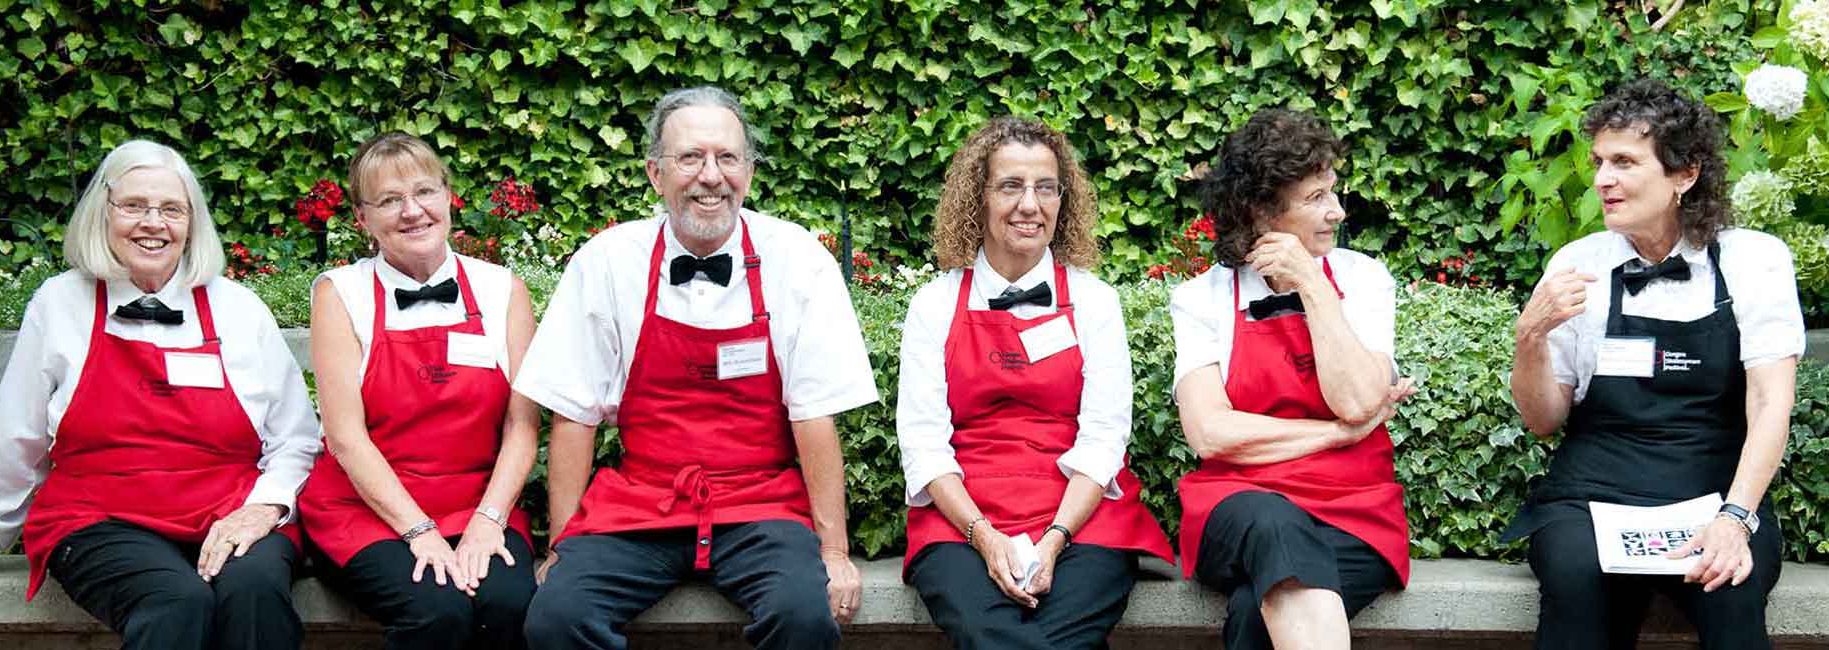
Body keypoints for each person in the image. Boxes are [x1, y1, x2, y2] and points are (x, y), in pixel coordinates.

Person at [515, 86, 877, 650]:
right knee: (556, 618)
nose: (711, 175)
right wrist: (561, 546)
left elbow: (814, 416)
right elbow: (573, 414)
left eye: (728, 158)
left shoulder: (799, 259)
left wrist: (833, 552)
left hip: (763, 505)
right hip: (642, 502)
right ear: (656, 174)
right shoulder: (608, 261)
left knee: (804, 619)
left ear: (749, 172)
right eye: (690, 158)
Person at [0, 140, 321, 650]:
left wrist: (264, 509)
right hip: (98, 516)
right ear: (103, 213)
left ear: (192, 224)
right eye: (134, 206)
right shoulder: (60, 303)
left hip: (230, 508)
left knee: (254, 592)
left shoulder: (238, 309)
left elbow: (295, 439)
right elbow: (16, 439)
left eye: (171, 210)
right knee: (174, 601)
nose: (153, 223)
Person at [1505, 78, 1802, 650]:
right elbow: (1543, 419)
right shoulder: (1579, 263)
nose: (1601, 180)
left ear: (1684, 175)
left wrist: (1735, 519)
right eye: (1598, 162)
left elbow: (1770, 401)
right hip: (1590, 500)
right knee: (1575, 577)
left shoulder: (1754, 259)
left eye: (1623, 162)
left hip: (1715, 495)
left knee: (1731, 586)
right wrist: (1530, 337)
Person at [896, 116, 1176, 649]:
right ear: (976, 198)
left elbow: (1103, 437)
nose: (1030, 204)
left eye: (1046, 188)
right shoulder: (933, 304)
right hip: (963, 514)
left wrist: (1053, 540)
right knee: (988, 629)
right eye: (1010, 186)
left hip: (1082, 515)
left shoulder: (1096, 302)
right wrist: (983, 536)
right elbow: (923, 443)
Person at [1169, 109, 1417, 650]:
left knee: (1254, 619)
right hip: (1238, 505)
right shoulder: (1201, 298)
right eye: (1315, 198)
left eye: (1333, 191)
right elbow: (1211, 433)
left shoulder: (1364, 280)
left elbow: (1354, 399)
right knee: (1273, 521)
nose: (1337, 211)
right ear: (1260, 211)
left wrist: (1311, 282)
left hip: (1354, 513)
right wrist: (1335, 435)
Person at [299, 132, 538, 649]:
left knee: (510, 604)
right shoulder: (340, 293)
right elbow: (345, 439)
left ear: (448, 197)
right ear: (362, 219)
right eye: (389, 200)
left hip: (477, 500)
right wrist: (420, 532)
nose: (413, 212)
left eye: (425, 192)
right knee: (436, 608)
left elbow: (523, 425)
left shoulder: (503, 290)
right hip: (367, 509)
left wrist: (488, 520)